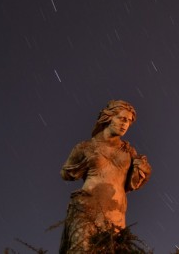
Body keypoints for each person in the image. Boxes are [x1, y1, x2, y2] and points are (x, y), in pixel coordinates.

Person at [59, 100, 152, 253]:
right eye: (122, 118)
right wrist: (85, 162)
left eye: (128, 121)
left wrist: (142, 169)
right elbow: (65, 173)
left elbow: (134, 183)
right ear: (109, 117)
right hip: (87, 208)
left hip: (115, 213)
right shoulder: (86, 146)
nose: (125, 124)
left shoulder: (129, 151)